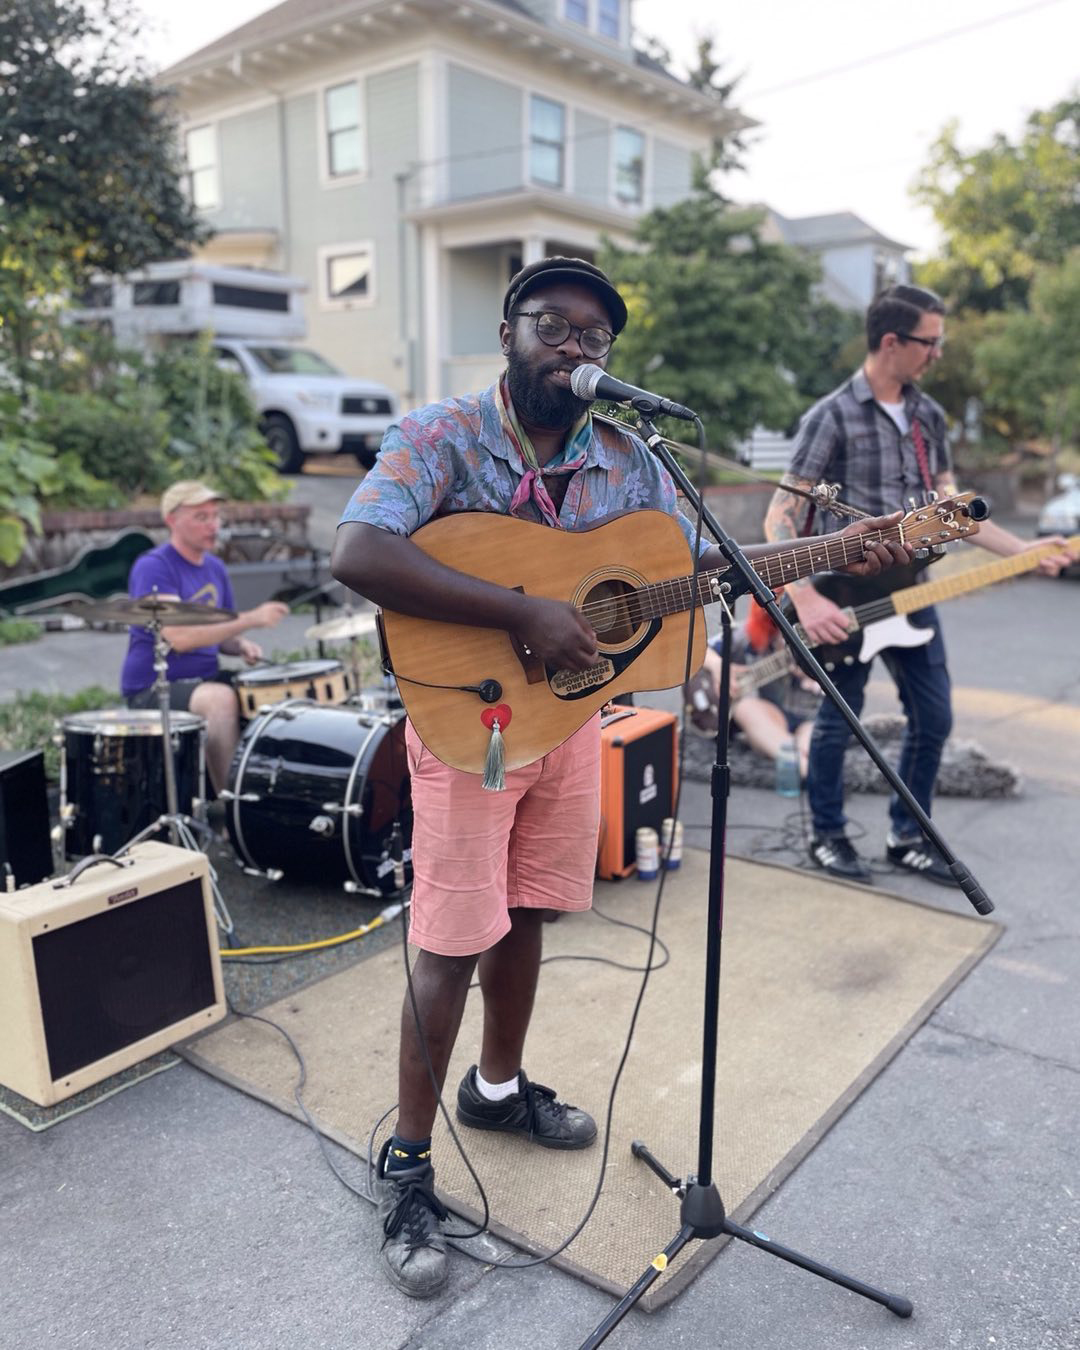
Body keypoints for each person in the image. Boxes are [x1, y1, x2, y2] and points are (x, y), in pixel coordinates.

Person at [330, 255, 911, 1299]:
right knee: (451, 940)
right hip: (471, 723)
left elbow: (686, 568)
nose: (573, 348)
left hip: (567, 722)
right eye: (552, 326)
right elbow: (361, 553)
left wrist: (831, 551)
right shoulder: (440, 435)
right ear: (509, 332)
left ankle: (496, 1088)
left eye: (594, 337)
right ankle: (407, 1166)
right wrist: (524, 612)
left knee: (529, 913)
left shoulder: (630, 456)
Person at [764, 283, 1077, 885]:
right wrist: (802, 596)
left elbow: (956, 512)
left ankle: (907, 837)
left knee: (933, 719)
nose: (938, 354)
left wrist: (1023, 551)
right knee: (839, 721)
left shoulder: (927, 416)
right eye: (930, 342)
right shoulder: (830, 416)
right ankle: (827, 834)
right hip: (842, 596)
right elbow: (780, 516)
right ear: (891, 342)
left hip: (911, 594)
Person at [120, 481, 289, 792]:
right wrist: (252, 618)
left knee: (274, 690)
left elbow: (220, 634)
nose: (213, 525)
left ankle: (272, 794)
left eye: (215, 516)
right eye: (201, 517)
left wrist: (239, 645)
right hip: (156, 685)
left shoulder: (215, 567)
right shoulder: (154, 566)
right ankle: (231, 805)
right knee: (219, 699)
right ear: (171, 520)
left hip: (205, 677)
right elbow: (180, 638)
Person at [684, 600, 821, 777]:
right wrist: (718, 666)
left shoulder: (823, 635)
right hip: (769, 714)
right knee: (745, 708)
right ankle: (804, 767)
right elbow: (697, 650)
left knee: (816, 741)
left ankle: (801, 763)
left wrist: (815, 677)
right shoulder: (747, 635)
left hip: (809, 717)